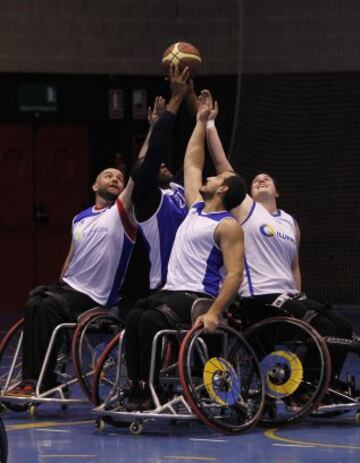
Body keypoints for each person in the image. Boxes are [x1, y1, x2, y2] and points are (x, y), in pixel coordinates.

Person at [204, 90, 353, 383]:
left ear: (277, 191)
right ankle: (307, 387)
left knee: (343, 329)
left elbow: (294, 267)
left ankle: (315, 384)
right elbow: (224, 168)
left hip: (287, 296)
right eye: (256, 179)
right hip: (258, 298)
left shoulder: (289, 222)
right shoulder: (246, 211)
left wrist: (299, 294)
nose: (260, 180)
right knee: (321, 326)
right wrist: (209, 124)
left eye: (267, 179)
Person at [124, 89, 247, 411]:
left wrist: (215, 311)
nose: (209, 175)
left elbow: (234, 274)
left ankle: (153, 389)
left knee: (150, 319)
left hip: (197, 297)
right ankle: (137, 387)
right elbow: (192, 162)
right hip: (172, 291)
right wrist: (201, 120)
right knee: (135, 315)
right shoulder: (195, 208)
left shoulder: (227, 226)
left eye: (218, 176)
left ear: (222, 189)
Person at [8, 167, 137, 396]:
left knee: (48, 305)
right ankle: (34, 376)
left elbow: (139, 172)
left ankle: (39, 381)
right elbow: (71, 257)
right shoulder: (80, 218)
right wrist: (60, 284)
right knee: (34, 300)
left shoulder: (122, 213)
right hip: (70, 288)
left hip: (97, 295)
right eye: (108, 176)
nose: (115, 179)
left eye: (119, 178)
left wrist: (152, 135)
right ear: (95, 186)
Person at [131, 65, 197, 290]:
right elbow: (156, 149)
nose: (160, 164)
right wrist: (175, 97)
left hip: (192, 282)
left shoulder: (179, 188)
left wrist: (189, 97)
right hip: (163, 287)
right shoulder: (146, 200)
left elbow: (197, 147)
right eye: (152, 165)